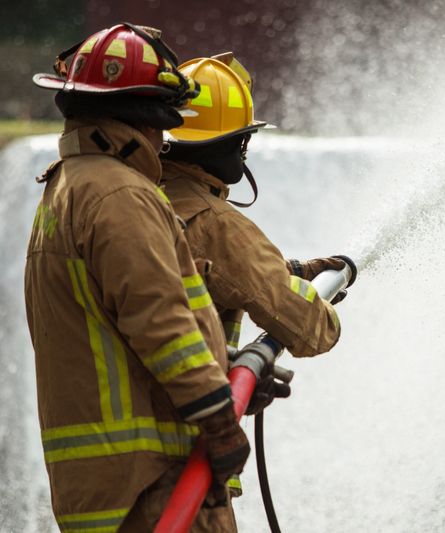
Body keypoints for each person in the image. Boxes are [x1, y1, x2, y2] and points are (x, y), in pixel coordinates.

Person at [27, 24, 249, 531]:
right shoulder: (120, 195)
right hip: (155, 487)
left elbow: (116, 327)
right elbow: (159, 320)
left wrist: (227, 365)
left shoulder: (67, 188)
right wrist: (219, 418)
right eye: (162, 123)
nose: (163, 140)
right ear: (143, 118)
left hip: (106, 490)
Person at [158, 54, 345, 418]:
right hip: (182, 445)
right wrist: (320, 300)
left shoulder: (143, 196)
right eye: (243, 140)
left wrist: (287, 270)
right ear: (227, 143)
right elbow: (314, 330)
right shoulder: (215, 223)